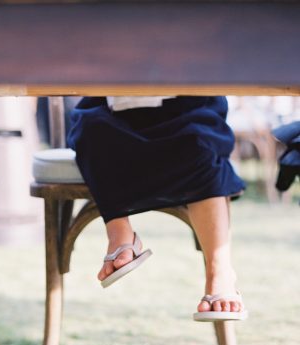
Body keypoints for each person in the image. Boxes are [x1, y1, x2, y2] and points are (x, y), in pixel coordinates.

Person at [67, 96, 247, 321]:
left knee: (200, 145)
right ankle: (119, 232)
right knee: (93, 132)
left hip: (188, 105)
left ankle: (219, 270)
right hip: (113, 108)